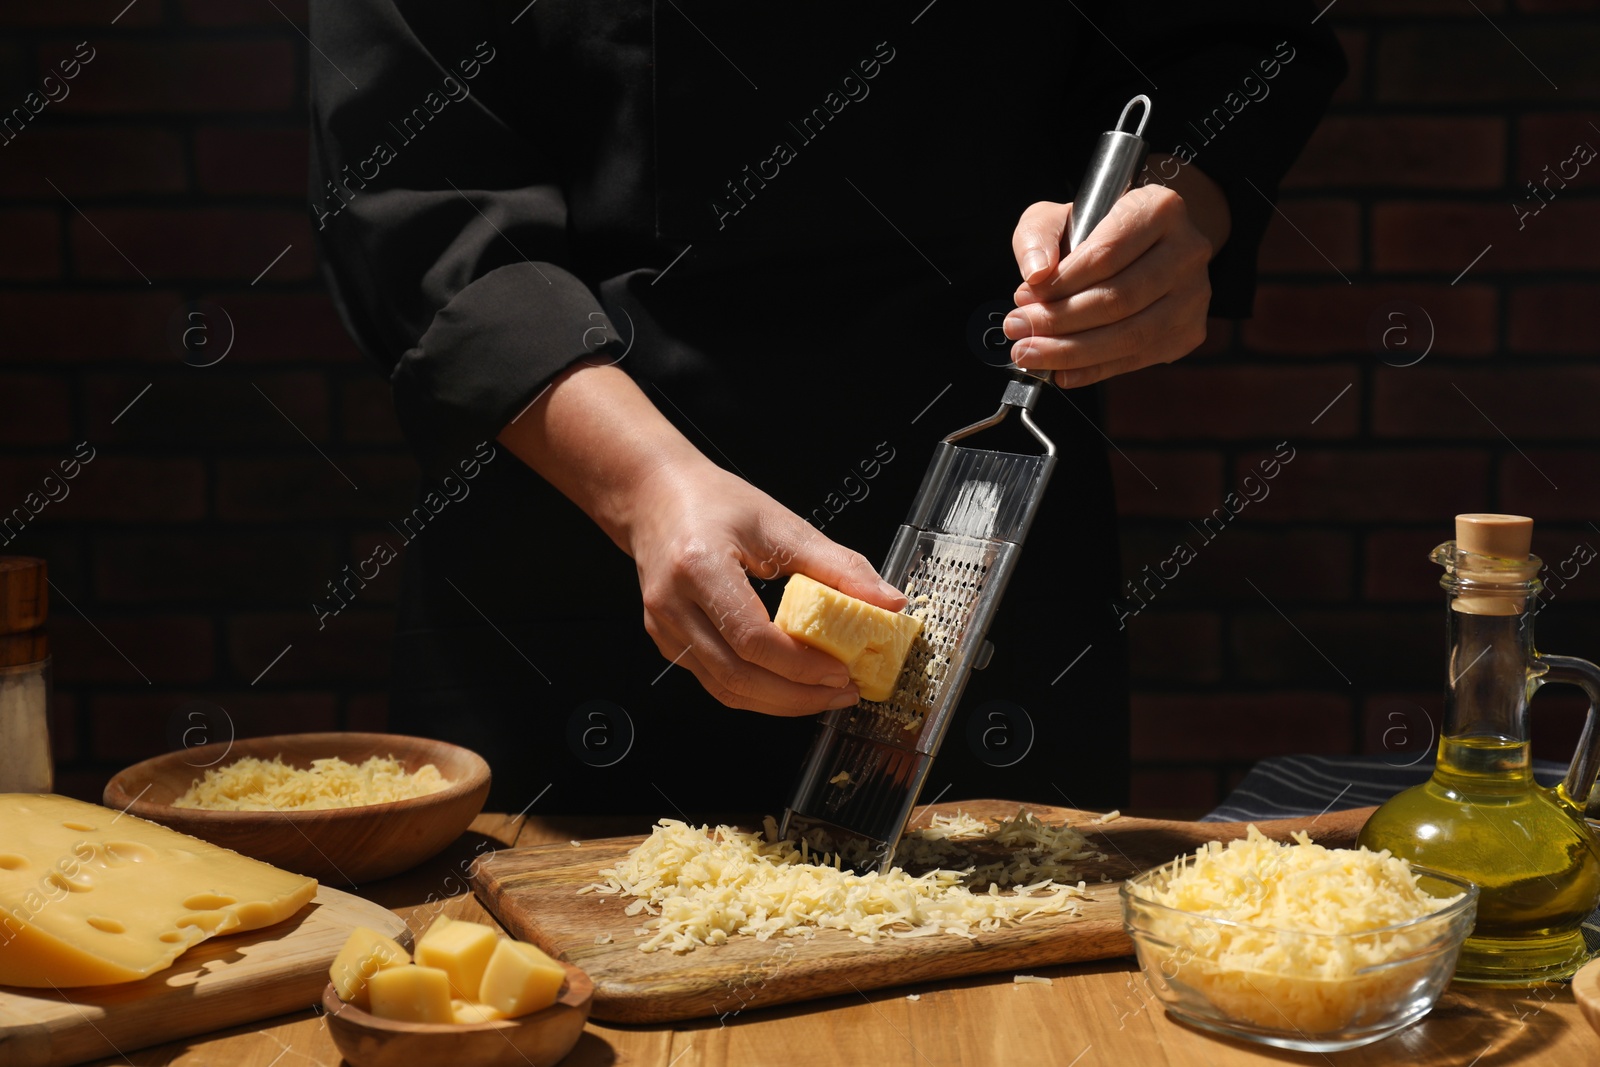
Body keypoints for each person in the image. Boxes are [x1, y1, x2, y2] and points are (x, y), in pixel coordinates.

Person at [307, 2, 1345, 815]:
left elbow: (1231, 37)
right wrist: (646, 484)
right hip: (572, 540)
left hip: (979, 513)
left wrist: (1179, 203)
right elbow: (414, 189)